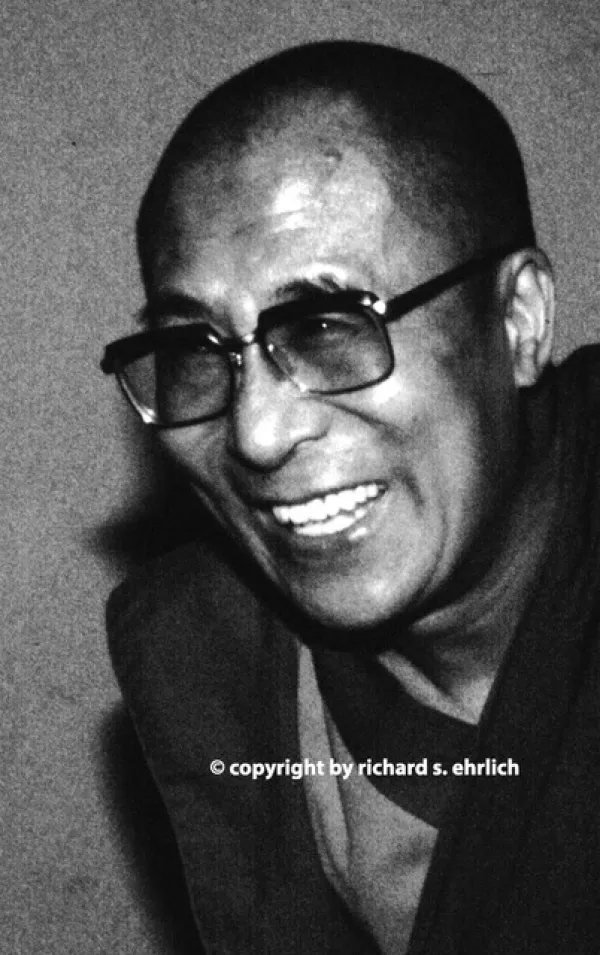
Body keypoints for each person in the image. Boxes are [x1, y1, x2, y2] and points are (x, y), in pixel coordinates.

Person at [102, 41, 600, 954]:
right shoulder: (210, 658)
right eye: (195, 351)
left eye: (328, 325)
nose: (256, 432)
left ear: (518, 318)